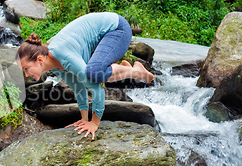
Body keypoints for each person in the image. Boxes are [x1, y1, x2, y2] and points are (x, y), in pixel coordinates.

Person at [16, 12, 154, 140]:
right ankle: (128, 69)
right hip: (105, 35)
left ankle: (135, 72)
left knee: (94, 74)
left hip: (117, 29)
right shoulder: (55, 66)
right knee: (94, 74)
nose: (26, 74)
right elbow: (78, 88)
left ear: (39, 60)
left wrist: (94, 123)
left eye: (26, 69)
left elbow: (97, 89)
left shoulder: (64, 56)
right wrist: (84, 119)